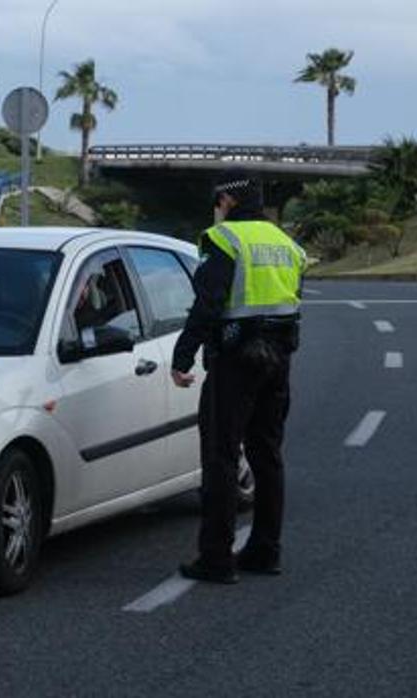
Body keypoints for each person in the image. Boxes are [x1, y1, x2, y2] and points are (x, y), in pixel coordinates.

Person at [170, 171, 305, 585]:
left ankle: (216, 557)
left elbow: (208, 303)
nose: (216, 206)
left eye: (218, 198)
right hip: (278, 359)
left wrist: (183, 355)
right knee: (267, 456)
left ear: (228, 199)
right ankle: (265, 551)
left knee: (222, 457)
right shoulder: (287, 244)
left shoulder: (224, 239)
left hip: (235, 361)